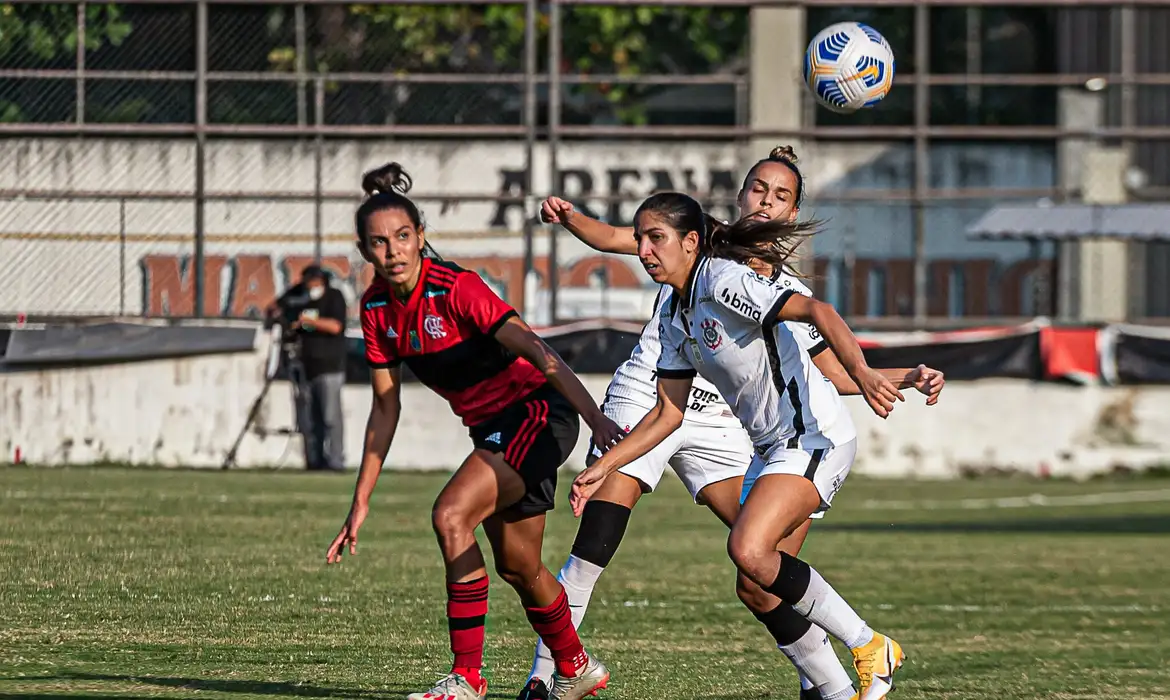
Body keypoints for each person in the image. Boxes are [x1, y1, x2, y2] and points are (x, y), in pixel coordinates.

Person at [518, 148, 943, 700]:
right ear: (739, 197)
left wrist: (891, 375)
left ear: (792, 213)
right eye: (758, 189)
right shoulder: (689, 270)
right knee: (725, 570)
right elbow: (665, 407)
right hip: (697, 418)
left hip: (770, 431)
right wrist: (605, 464)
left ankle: (854, 657)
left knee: (756, 559)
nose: (766, 201)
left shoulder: (749, 283)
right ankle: (549, 676)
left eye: (781, 195)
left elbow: (830, 359)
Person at [324, 162, 625, 700]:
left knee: (450, 514)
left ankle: (466, 679)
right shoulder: (375, 310)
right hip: (495, 431)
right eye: (379, 242)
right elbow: (384, 409)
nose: (392, 251)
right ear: (364, 250)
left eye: (402, 237)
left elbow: (538, 349)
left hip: (538, 413)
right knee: (519, 565)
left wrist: (596, 418)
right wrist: (360, 500)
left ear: (420, 238)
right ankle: (576, 668)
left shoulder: (456, 288)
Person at [266, 264, 350, 471]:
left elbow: (336, 326)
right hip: (304, 365)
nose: (311, 286)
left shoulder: (333, 297)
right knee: (309, 420)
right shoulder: (298, 295)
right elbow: (275, 307)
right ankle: (314, 460)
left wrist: (308, 321)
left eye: (315, 282)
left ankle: (335, 461)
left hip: (329, 365)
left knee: (330, 417)